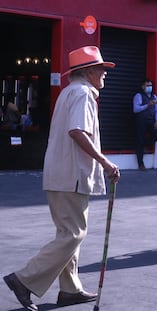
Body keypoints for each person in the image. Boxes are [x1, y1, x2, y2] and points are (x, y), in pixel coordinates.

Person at [3, 46, 121, 311]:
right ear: (89, 71)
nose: (105, 74)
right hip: (72, 175)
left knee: (67, 233)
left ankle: (70, 289)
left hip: (61, 174)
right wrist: (104, 161)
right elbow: (78, 131)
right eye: (102, 69)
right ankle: (24, 279)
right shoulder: (83, 94)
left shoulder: (69, 92)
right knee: (73, 234)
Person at [133, 78, 157, 171]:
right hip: (141, 120)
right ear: (143, 86)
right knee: (140, 140)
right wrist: (147, 105)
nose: (149, 87)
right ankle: (141, 163)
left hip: (151, 120)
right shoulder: (139, 96)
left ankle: (146, 144)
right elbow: (136, 109)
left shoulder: (154, 97)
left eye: (150, 85)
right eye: (147, 85)